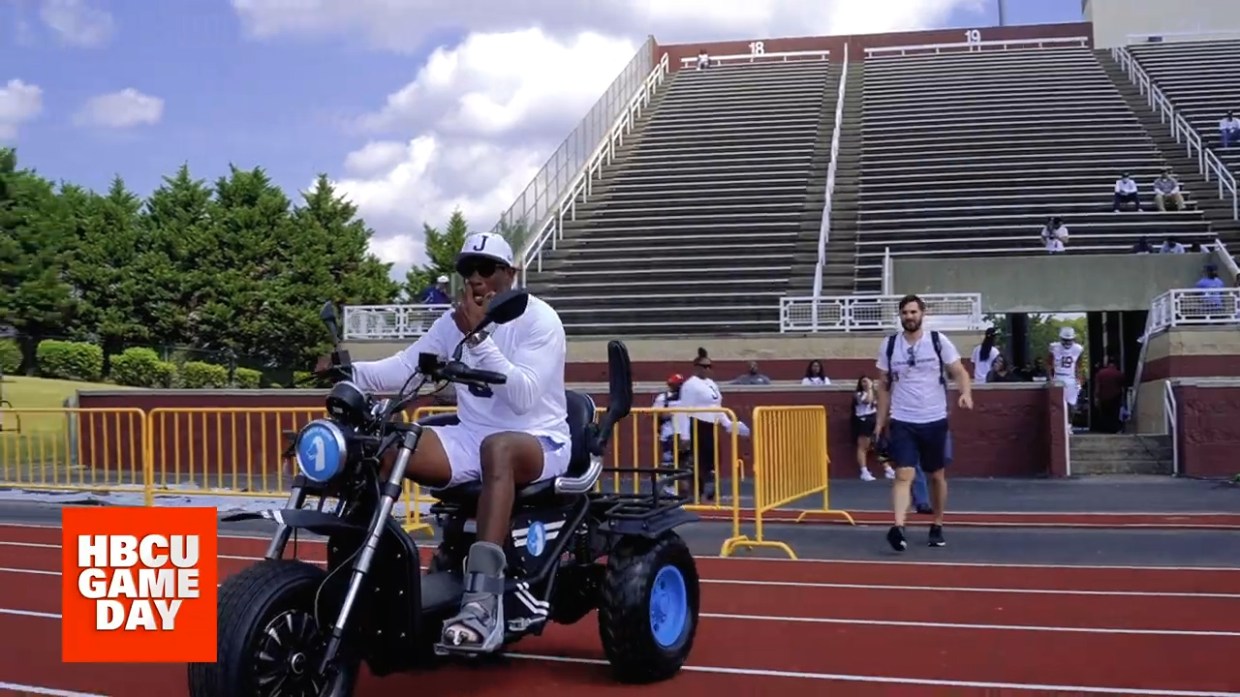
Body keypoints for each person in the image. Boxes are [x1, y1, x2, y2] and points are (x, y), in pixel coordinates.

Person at [316, 232, 569, 655]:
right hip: (472, 438)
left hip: (539, 440)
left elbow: (523, 394)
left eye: (486, 268)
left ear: (511, 274)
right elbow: (404, 368)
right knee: (384, 446)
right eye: (467, 270)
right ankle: (362, 576)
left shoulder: (539, 320)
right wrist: (349, 372)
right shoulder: (451, 322)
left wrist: (477, 339)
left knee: (498, 449)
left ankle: (483, 603)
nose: (475, 279)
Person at [875, 294, 973, 551]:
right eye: (905, 313)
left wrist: (965, 392)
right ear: (900, 316)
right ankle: (897, 527)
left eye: (913, 312)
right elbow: (883, 387)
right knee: (903, 473)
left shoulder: (938, 341)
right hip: (902, 419)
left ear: (922, 313)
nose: (909, 316)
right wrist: (879, 422)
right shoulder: (890, 345)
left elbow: (959, 371)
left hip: (934, 418)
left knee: (936, 476)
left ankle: (937, 523)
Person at [674, 347, 750, 501]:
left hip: (711, 425)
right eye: (704, 366)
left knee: (712, 460)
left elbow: (717, 406)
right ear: (696, 367)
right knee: (700, 461)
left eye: (709, 366)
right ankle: (697, 493)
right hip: (697, 424)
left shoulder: (711, 383)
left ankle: (708, 493)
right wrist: (685, 434)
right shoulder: (690, 385)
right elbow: (684, 409)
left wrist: (728, 423)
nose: (707, 369)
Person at [1048, 326, 1086, 413]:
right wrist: (1050, 377)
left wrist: (1079, 379)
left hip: (1070, 378)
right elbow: (1049, 364)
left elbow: (1078, 366)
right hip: (1058, 377)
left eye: (1069, 340)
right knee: (1058, 404)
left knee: (1071, 404)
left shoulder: (1077, 349)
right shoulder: (1054, 347)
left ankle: (1069, 423)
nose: (1067, 342)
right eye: (1065, 340)